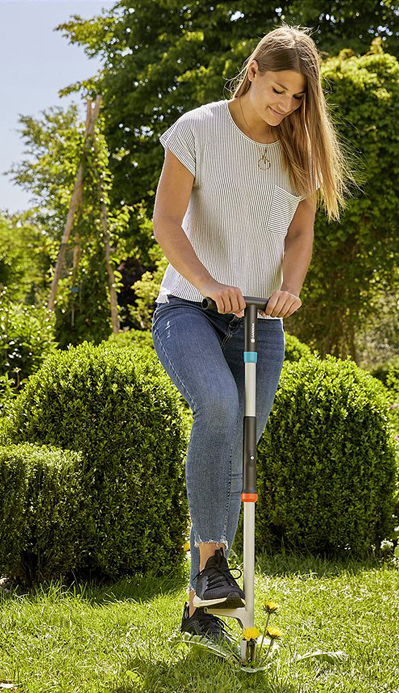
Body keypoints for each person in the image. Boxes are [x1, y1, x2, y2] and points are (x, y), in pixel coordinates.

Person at [150, 23, 349, 644]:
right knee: (217, 406)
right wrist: (209, 282)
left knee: (238, 447)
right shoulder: (198, 130)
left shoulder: (301, 150)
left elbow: (298, 235)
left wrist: (291, 286)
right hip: (188, 310)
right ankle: (212, 568)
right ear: (255, 69)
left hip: (261, 318)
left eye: (298, 98)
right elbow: (164, 221)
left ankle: (198, 605)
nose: (285, 105)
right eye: (279, 89)